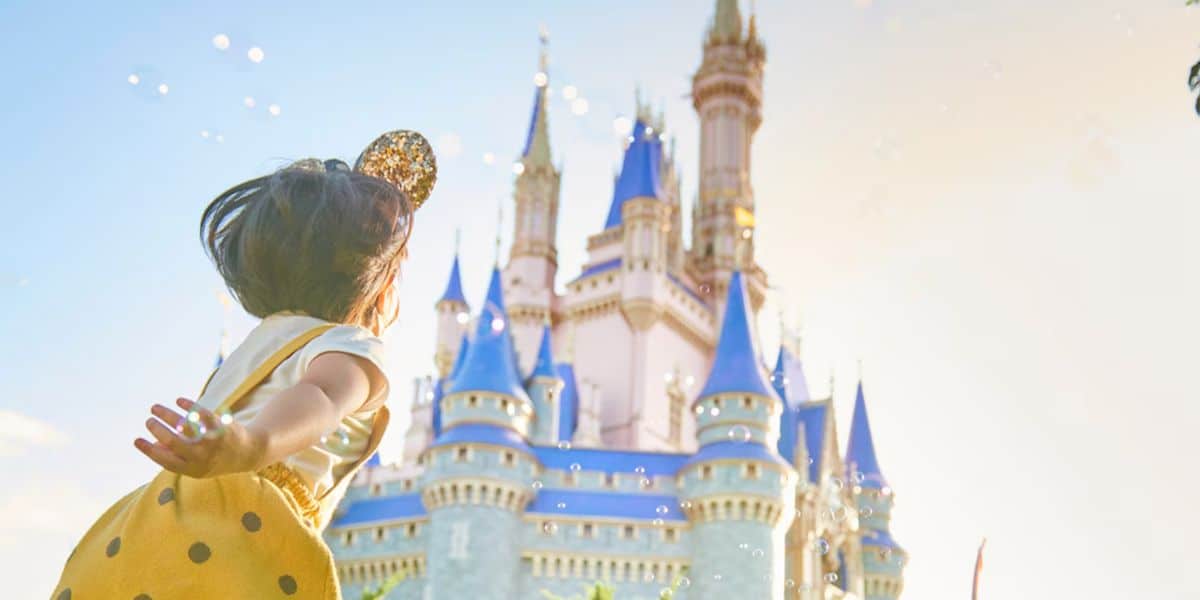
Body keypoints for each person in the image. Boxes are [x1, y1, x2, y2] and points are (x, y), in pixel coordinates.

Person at [53, 135, 436, 600]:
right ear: (380, 284)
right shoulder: (350, 346)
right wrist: (253, 443)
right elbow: (321, 397)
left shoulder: (260, 344)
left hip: (145, 530)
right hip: (238, 536)